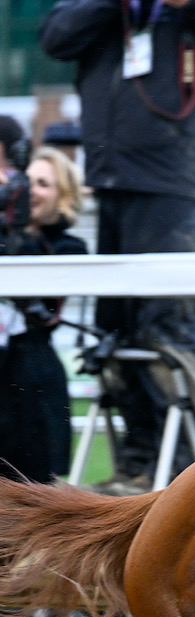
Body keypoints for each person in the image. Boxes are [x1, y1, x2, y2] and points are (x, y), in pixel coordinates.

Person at [39, 0, 195, 495]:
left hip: (178, 183)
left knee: (168, 329)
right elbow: (55, 39)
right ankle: (137, 466)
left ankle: (185, 477)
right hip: (111, 179)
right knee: (115, 330)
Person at [0, 146, 89, 486]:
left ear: (63, 195)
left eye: (43, 184)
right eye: (25, 183)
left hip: (30, 380)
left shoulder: (69, 246)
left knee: (28, 495)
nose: (30, 192)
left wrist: (19, 229)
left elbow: (43, 299)